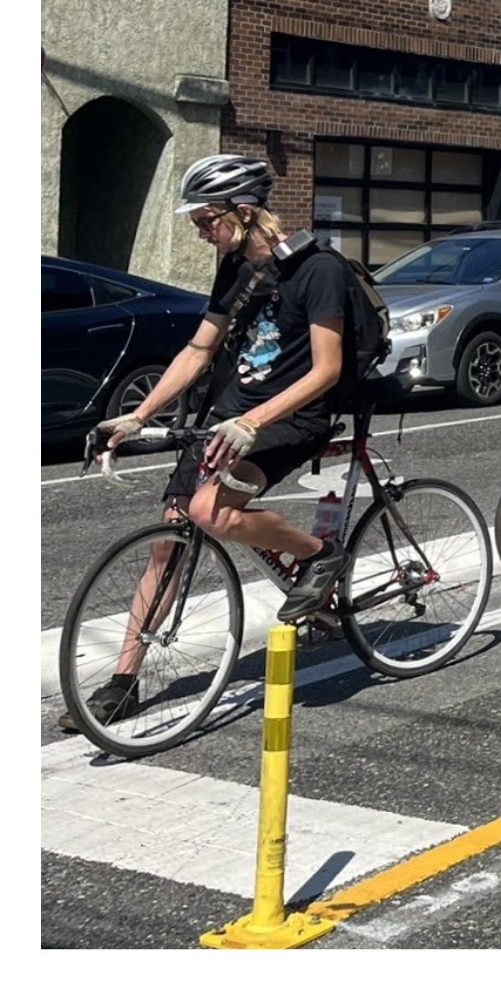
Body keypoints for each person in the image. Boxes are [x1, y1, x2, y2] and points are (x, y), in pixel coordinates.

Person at [89, 154, 352, 720]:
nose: (203, 232)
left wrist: (254, 421)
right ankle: (125, 679)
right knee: (169, 541)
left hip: (292, 415)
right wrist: (140, 415)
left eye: (208, 220)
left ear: (246, 210)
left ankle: (320, 554)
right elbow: (199, 349)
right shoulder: (237, 269)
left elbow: (325, 371)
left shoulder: (319, 270)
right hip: (226, 415)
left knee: (211, 509)